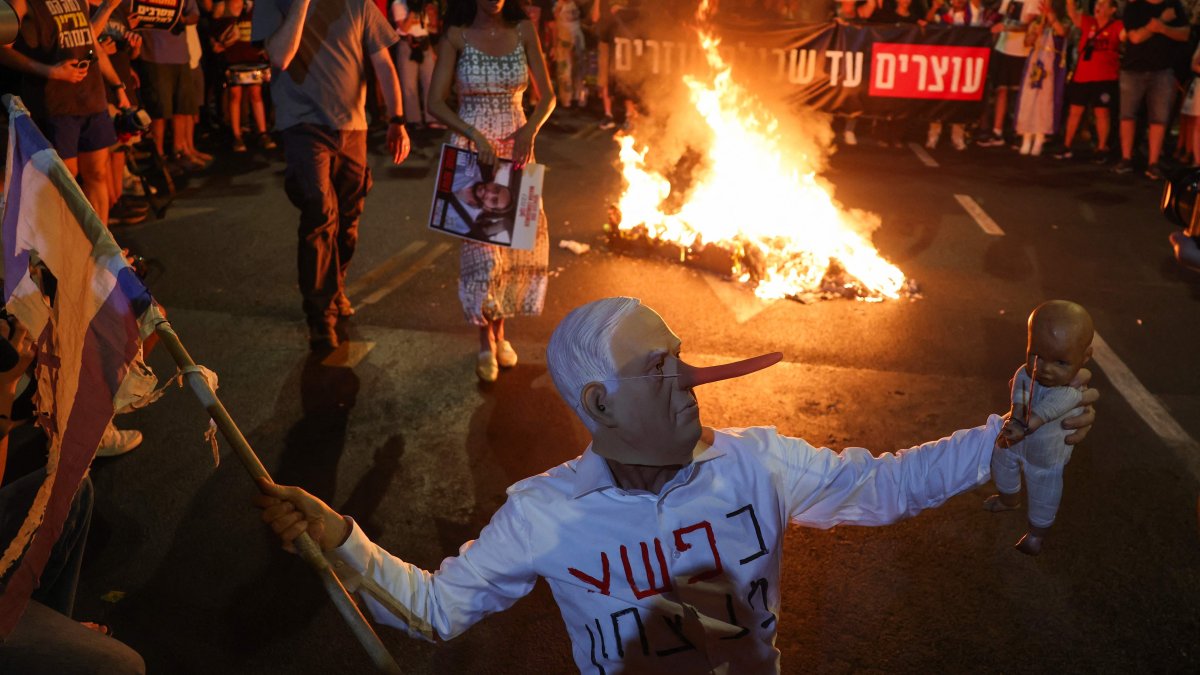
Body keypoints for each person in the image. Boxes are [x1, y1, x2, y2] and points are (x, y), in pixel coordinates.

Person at [256, 296, 1099, 673]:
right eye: (660, 370)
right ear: (598, 402)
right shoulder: (545, 514)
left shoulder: (755, 461)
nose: (691, 379)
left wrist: (1008, 437)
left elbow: (886, 485)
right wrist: (345, 542)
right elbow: (437, 611)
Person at [252, 0, 412, 350]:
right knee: (319, 213)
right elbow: (279, 57)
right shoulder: (272, 4)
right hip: (303, 125)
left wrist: (397, 120)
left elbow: (383, 63)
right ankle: (320, 313)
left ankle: (335, 284)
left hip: (352, 126)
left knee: (349, 218)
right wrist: (300, 6)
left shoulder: (357, 4)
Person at [427, 0, 554, 382]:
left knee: (511, 250)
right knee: (483, 251)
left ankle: (502, 334)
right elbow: (434, 102)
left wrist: (529, 130)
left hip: (516, 146)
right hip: (472, 151)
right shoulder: (456, 36)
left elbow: (547, 96)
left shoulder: (523, 30)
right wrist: (473, 134)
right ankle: (485, 341)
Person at [0, 0, 132, 226]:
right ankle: (68, 254)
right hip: (55, 104)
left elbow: (88, 38)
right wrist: (49, 71)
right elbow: (2, 50)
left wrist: (117, 85)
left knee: (98, 175)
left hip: (91, 97)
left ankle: (103, 253)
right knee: (66, 183)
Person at [985, 300, 1093, 556]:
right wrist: (1015, 421)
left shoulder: (1070, 393)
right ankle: (1009, 499)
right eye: (1036, 355)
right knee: (1001, 462)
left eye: (1061, 362)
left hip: (1047, 456)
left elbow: (1044, 413)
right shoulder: (1025, 373)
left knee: (1044, 494)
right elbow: (1019, 397)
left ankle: (1036, 533)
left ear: (1085, 357)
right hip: (1016, 440)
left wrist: (1023, 426)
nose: (1044, 368)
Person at [1114, 0, 1189, 179]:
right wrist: (1160, 20)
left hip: (1162, 70)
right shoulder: (1134, 7)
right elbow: (1135, 38)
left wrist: (1161, 27)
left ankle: (1153, 162)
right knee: (1127, 115)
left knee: (1159, 118)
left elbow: (1185, 34)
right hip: (1133, 70)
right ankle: (1126, 158)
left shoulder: (1174, 6)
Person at [137, 0, 207, 170]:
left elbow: (194, 14)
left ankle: (179, 151)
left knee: (182, 108)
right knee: (159, 110)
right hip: (154, 56)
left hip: (181, 56)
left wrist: (182, 20)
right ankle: (159, 154)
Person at [1054, 0, 1122, 161]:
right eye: (1098, 3)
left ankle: (1101, 148)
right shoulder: (1088, 22)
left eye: (1104, 4)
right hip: (1083, 75)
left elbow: (1126, 36)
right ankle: (1066, 145)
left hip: (1105, 76)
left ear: (1113, 9)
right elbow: (1072, 13)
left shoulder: (1117, 25)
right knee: (1075, 111)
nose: (1099, 7)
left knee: (1102, 112)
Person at [926, 0, 994, 150]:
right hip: (944, 64)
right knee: (938, 98)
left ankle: (958, 136)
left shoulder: (973, 16)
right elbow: (929, 21)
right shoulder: (945, 15)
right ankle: (933, 135)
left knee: (961, 99)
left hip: (964, 65)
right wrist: (934, 7)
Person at [212, 0, 274, 152]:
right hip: (233, 58)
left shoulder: (253, 6)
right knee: (235, 95)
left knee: (256, 94)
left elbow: (264, 26)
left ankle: (262, 132)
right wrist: (215, 44)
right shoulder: (222, 7)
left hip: (252, 57)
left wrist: (265, 47)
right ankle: (237, 135)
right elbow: (213, 31)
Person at [976, 0, 1039, 147]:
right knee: (1001, 90)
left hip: (1022, 51)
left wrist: (1005, 27)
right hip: (1003, 48)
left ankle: (1019, 131)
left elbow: (1027, 25)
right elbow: (1001, 17)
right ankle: (997, 131)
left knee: (1019, 94)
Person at [1013, 0, 1068, 156]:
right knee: (1029, 98)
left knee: (1045, 101)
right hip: (1035, 62)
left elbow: (1062, 32)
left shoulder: (1061, 21)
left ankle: (1039, 137)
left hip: (1050, 65)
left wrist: (1050, 16)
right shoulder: (1037, 22)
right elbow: (1027, 42)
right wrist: (1034, 31)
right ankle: (1026, 136)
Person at [390, 0, 444, 129]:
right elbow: (403, 28)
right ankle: (414, 120)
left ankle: (432, 119)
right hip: (407, 46)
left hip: (425, 44)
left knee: (430, 83)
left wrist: (432, 15)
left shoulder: (426, 4)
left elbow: (433, 28)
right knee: (409, 85)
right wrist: (413, 11)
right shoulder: (398, 4)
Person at [551, 0, 584, 108]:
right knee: (565, 71)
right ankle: (566, 99)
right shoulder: (558, 6)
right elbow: (554, 25)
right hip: (564, 40)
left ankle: (577, 96)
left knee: (578, 69)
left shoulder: (577, 3)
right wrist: (555, 45)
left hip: (577, 40)